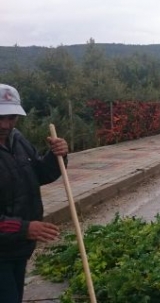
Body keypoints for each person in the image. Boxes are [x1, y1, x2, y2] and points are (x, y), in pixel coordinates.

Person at [0, 83, 68, 303]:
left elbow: (39, 174)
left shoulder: (17, 140)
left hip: (18, 248)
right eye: (0, 117)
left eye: (11, 117)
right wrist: (25, 228)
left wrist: (56, 156)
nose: (5, 124)